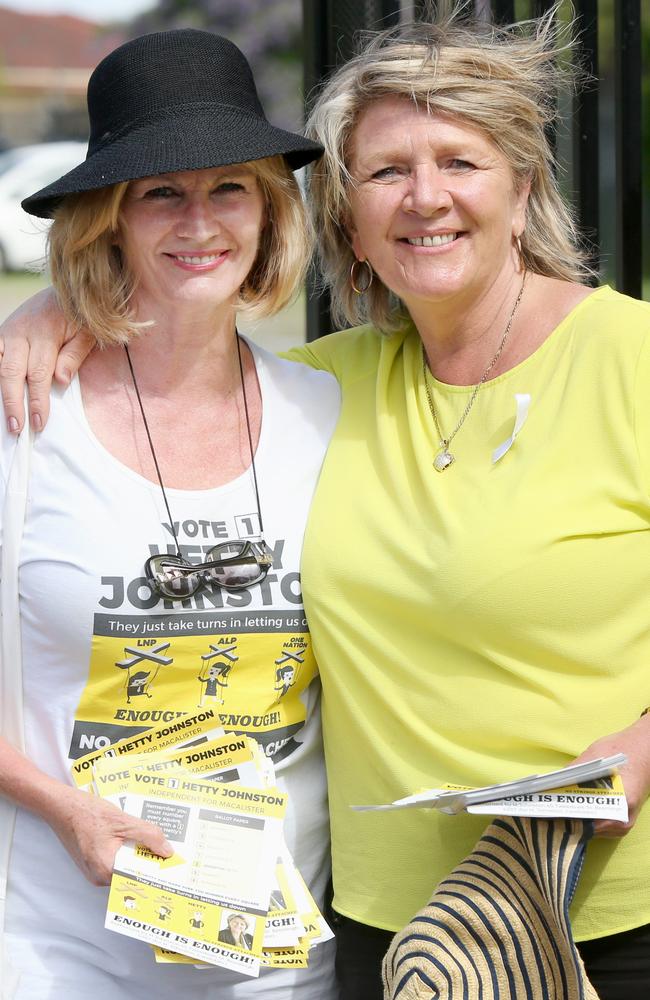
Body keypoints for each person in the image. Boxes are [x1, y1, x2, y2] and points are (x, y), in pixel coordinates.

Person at [2, 9, 650, 1000]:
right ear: (348, 215)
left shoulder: (610, 363)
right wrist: (47, 311)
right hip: (268, 937)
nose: (423, 197)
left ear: (522, 189)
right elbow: (168, 338)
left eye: (459, 162)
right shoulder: (319, 386)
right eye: (387, 170)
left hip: (563, 910)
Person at [0, 27, 339, 1000]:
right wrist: (60, 807)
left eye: (228, 187)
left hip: (279, 961)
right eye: (161, 193)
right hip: (63, 953)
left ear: (270, 211)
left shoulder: (331, 408)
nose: (200, 222)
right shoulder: (24, 417)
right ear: (109, 219)